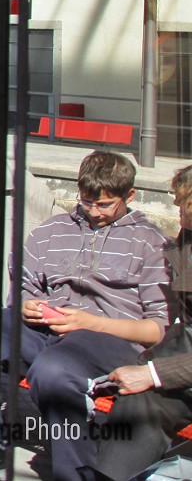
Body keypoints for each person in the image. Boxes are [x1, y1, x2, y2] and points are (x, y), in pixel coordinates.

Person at [2, 150, 169, 481]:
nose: (94, 212)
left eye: (105, 204)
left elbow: (158, 329)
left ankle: (76, 475)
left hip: (108, 339)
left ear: (129, 195)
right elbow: (23, 288)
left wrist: (88, 322)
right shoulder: (50, 231)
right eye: (87, 202)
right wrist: (26, 305)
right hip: (48, 331)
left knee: (54, 372)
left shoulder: (150, 243)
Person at [89, 166, 192, 481]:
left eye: (181, 202)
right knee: (139, 400)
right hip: (182, 361)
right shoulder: (186, 240)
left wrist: (151, 373)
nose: (175, 208)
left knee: (143, 394)